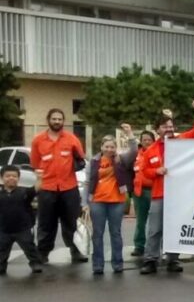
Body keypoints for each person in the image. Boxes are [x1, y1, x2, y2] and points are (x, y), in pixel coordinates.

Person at [139, 101, 194, 275]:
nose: (169, 129)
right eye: (164, 127)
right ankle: (150, 260)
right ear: (157, 130)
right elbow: (144, 171)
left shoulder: (181, 141)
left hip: (178, 195)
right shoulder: (150, 150)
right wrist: (156, 171)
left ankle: (173, 259)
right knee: (154, 229)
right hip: (159, 195)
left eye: (170, 126)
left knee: (175, 228)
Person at [30, 108, 88, 264]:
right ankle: (43, 253)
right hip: (47, 188)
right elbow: (35, 164)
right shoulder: (38, 140)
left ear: (63, 121)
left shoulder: (72, 139)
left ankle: (76, 251)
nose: (57, 121)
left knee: (72, 222)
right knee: (46, 223)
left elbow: (81, 158)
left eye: (60, 119)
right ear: (48, 120)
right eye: (54, 119)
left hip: (69, 188)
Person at [86, 135, 134, 275]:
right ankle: (98, 265)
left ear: (115, 148)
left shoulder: (120, 159)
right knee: (97, 234)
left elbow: (133, 151)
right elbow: (88, 182)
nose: (109, 149)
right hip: (97, 201)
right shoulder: (94, 161)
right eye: (106, 146)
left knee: (116, 233)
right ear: (101, 147)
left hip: (117, 201)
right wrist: (84, 203)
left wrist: (130, 135)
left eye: (112, 147)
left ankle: (117, 264)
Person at [0, 165, 44, 275]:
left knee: (30, 247)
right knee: (1, 250)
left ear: (18, 178)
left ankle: (35, 263)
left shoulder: (24, 192)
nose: (11, 178)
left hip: (23, 228)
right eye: (7, 176)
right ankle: (1, 266)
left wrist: (39, 178)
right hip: (4, 229)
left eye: (14, 176)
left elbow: (36, 188)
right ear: (2, 178)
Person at [131, 130, 156, 257]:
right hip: (139, 192)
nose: (146, 142)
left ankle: (155, 247)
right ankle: (139, 246)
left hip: (154, 191)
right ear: (140, 142)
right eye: (144, 140)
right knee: (140, 222)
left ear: (153, 141)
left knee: (156, 222)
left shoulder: (159, 153)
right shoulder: (136, 154)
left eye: (149, 139)